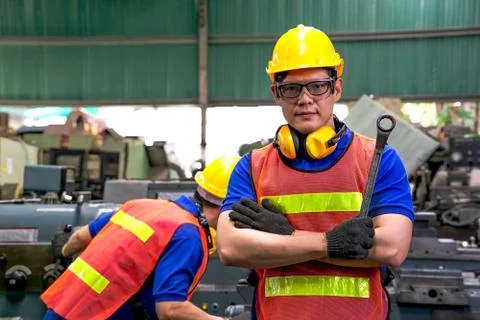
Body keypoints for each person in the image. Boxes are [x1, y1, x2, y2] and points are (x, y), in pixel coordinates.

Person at [215, 24, 414, 320]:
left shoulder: (377, 159)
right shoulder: (253, 166)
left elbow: (392, 249)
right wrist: (330, 243)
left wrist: (285, 238)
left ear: (337, 88)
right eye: (291, 88)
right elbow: (230, 249)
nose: (305, 99)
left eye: (317, 86)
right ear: (276, 94)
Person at [41, 156, 240, 320]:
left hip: (59, 311)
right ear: (229, 204)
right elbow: (170, 308)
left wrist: (64, 253)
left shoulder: (139, 206)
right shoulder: (189, 235)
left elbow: (78, 239)